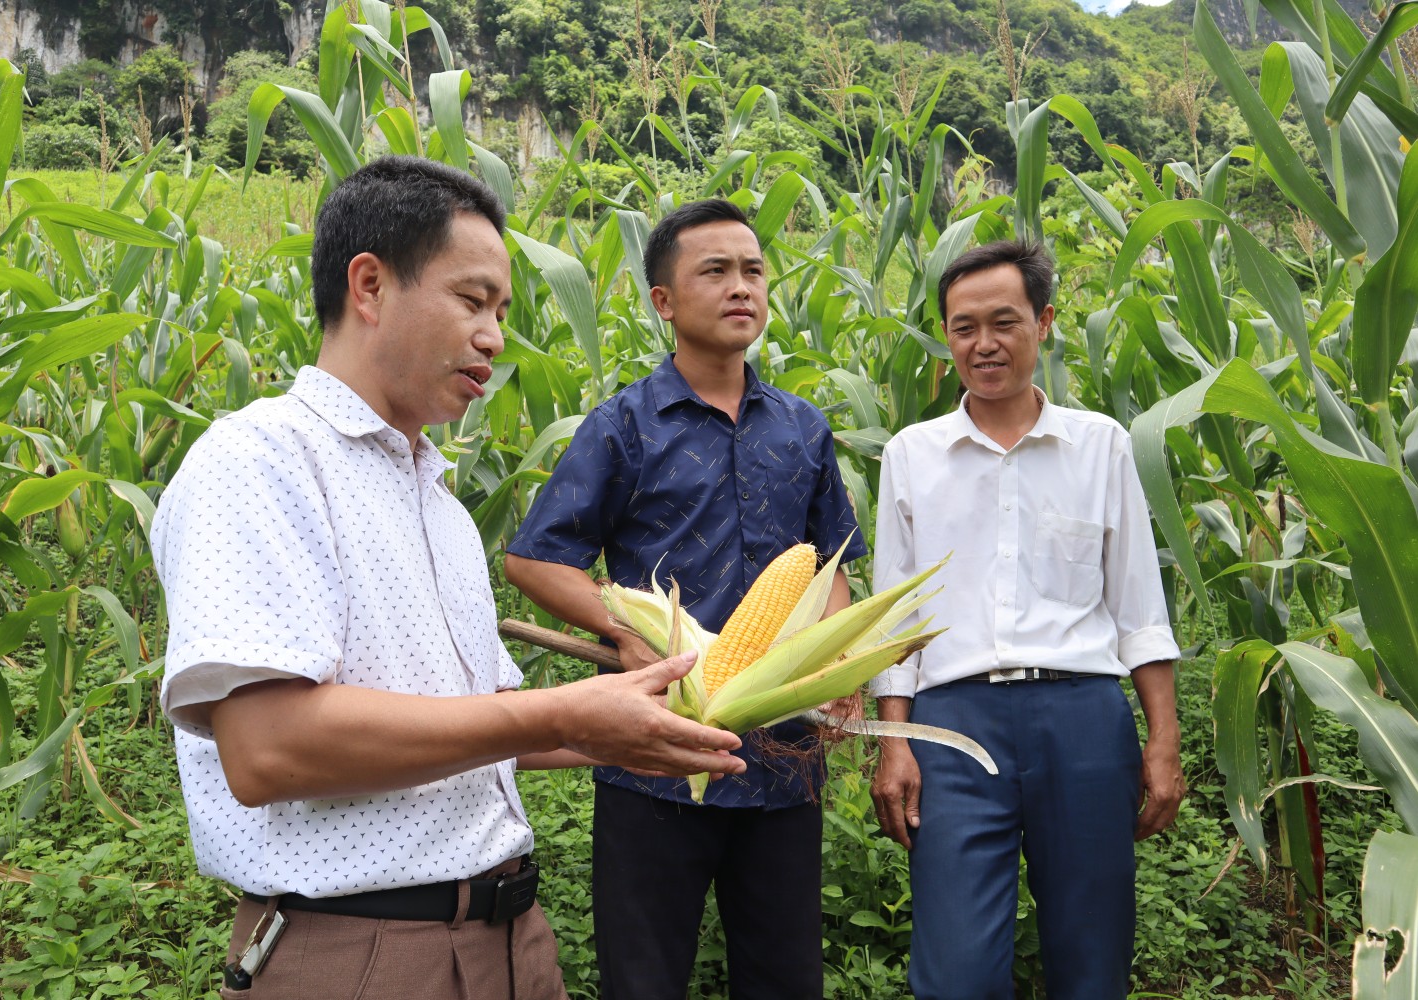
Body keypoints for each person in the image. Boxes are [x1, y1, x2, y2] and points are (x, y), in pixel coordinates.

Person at [151, 156, 747, 1000]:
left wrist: (657, 723)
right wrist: (568, 710)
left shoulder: (441, 505)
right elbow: (268, 746)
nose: (496, 339)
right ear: (369, 287)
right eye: (472, 301)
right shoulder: (261, 461)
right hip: (359, 952)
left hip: (509, 943)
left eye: (501, 311)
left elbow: (487, 723)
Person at [503, 199, 867, 1000]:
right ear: (663, 302)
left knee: (784, 978)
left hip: (781, 757)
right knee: (645, 978)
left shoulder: (803, 429)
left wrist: (840, 661)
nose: (742, 288)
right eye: (715, 271)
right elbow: (536, 559)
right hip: (652, 756)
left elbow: (830, 562)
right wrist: (626, 630)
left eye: (753, 271)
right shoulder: (625, 426)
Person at [869, 240, 1186, 1000]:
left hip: (1080, 719)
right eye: (963, 327)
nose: (985, 344)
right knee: (954, 975)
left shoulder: (1101, 446)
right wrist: (893, 744)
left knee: (1092, 957)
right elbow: (897, 617)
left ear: (1043, 323)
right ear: (946, 337)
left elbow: (1138, 605)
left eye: (1004, 322)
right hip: (952, 726)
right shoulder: (913, 455)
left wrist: (1164, 740)